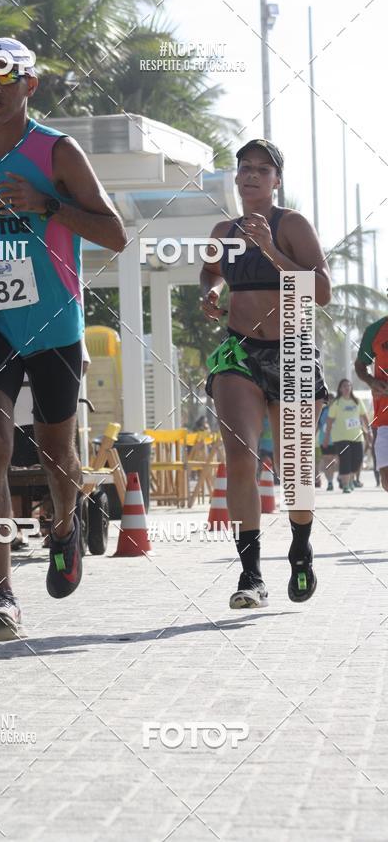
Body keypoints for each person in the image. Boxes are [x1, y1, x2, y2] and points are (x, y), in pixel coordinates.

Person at [0, 38, 126, 641]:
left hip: (53, 322)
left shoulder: (57, 151)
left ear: (28, 86)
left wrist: (48, 205)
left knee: (55, 452)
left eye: (5, 80)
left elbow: (115, 233)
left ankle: (65, 526)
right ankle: (3, 595)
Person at [201, 138, 331, 609]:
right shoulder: (223, 228)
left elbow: (321, 291)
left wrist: (271, 250)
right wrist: (213, 291)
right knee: (241, 457)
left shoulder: (291, 224)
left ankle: (300, 549)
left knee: (295, 470)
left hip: (293, 349)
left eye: (262, 169)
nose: (252, 175)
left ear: (277, 180)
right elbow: (211, 272)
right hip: (239, 352)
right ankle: (251, 574)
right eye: (244, 168)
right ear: (236, 177)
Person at [355, 315, 388, 492]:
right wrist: (371, 381)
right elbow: (360, 365)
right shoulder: (375, 330)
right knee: (386, 480)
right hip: (384, 418)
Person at [323, 379, 371, 493]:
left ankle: (349, 479)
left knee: (357, 460)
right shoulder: (337, 403)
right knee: (345, 460)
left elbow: (364, 416)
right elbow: (329, 421)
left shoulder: (357, 401)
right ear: (340, 389)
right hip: (340, 437)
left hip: (357, 436)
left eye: (349, 386)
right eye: (344, 386)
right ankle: (345, 485)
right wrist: (326, 437)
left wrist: (369, 430)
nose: (347, 388)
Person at [317, 392, 336, 490]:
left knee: (333, 461)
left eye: (333, 398)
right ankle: (330, 481)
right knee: (327, 461)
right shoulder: (322, 411)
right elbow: (318, 425)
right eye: (329, 398)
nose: (331, 400)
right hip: (324, 440)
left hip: (337, 440)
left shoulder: (338, 410)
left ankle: (339, 479)